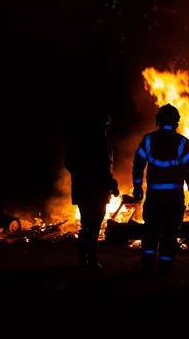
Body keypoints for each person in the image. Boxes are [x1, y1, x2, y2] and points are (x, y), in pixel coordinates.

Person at [132, 104, 189, 274]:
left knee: (151, 230)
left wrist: (137, 185)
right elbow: (188, 170)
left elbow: (138, 164)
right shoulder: (182, 142)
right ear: (177, 122)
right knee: (170, 232)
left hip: (154, 196)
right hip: (174, 198)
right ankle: (165, 266)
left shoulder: (148, 140)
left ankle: (147, 265)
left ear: (158, 121)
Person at [64, 112, 119, 271]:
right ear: (102, 125)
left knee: (87, 226)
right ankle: (92, 261)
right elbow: (104, 168)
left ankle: (83, 260)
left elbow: (69, 162)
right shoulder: (101, 142)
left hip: (83, 190)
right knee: (93, 227)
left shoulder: (78, 141)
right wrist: (112, 186)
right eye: (106, 125)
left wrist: (81, 175)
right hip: (97, 191)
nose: (107, 128)